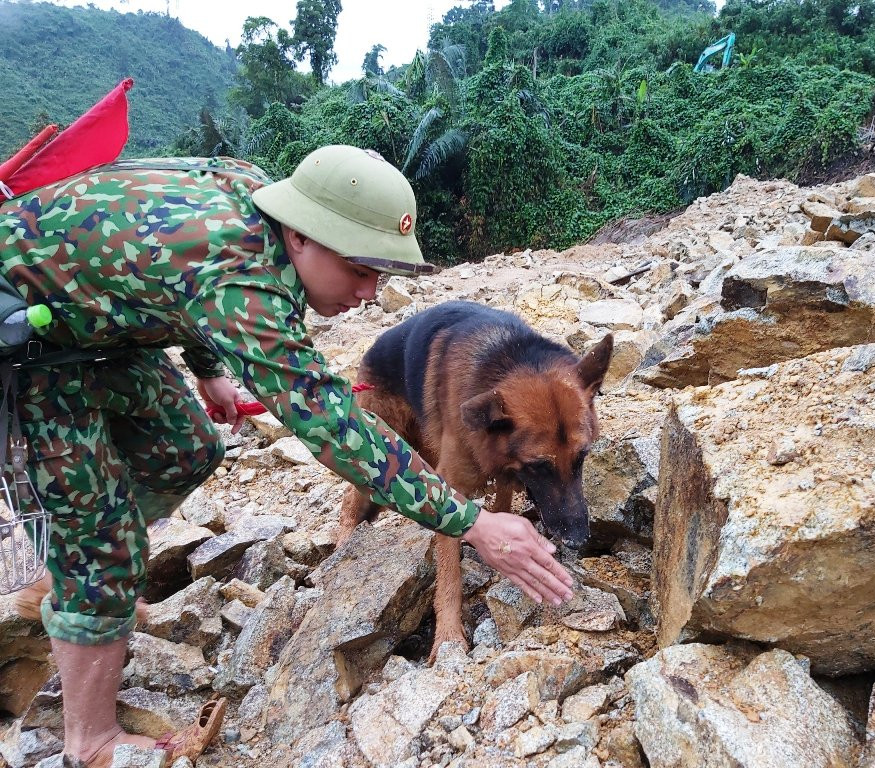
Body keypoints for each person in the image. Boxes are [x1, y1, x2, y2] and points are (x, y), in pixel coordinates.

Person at [0, 146, 575, 768]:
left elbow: (155, 265)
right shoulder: (242, 285)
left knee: (187, 450)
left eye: (380, 274)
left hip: (96, 326)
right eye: (358, 269)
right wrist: (471, 521)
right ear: (300, 236)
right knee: (99, 536)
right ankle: (91, 731)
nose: (369, 292)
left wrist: (207, 367)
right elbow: (333, 425)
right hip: (32, 346)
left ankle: (91, 582)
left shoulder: (259, 197)